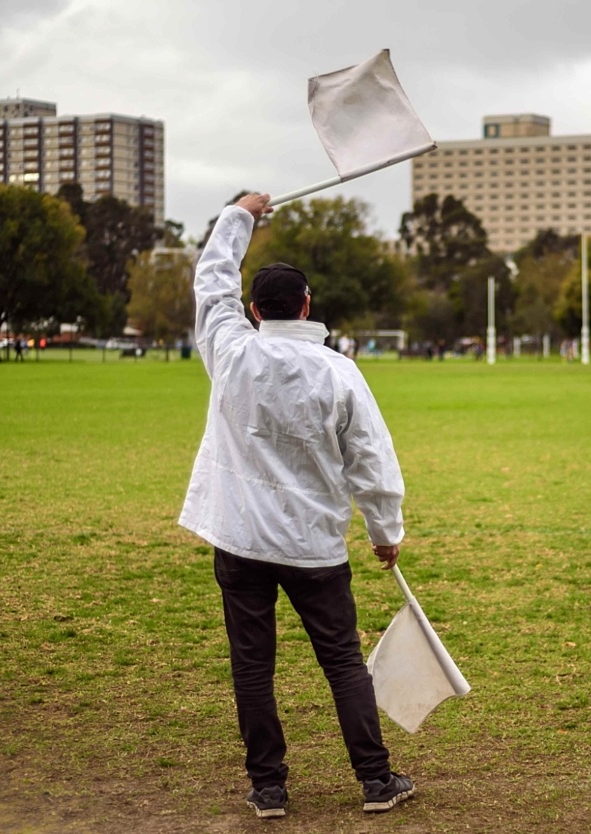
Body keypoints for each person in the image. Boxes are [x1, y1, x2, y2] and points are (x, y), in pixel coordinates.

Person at [178, 193, 414, 819]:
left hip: (241, 542)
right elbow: (372, 460)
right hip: (313, 545)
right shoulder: (338, 370)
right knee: (342, 662)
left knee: (252, 668)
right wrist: (385, 530)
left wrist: (238, 215)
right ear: (307, 306)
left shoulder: (230, 349)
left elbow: (211, 282)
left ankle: (269, 788)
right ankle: (375, 780)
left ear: (255, 310)